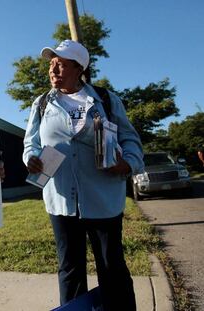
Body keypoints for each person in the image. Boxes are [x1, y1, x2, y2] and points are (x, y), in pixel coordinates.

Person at [23, 40, 144, 310]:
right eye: (51, 64)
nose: (53, 69)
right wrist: (29, 158)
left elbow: (130, 138)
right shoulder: (42, 103)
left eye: (61, 64)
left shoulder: (105, 100)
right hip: (61, 199)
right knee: (70, 268)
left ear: (80, 68)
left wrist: (129, 164)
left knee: (111, 265)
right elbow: (31, 142)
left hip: (103, 198)